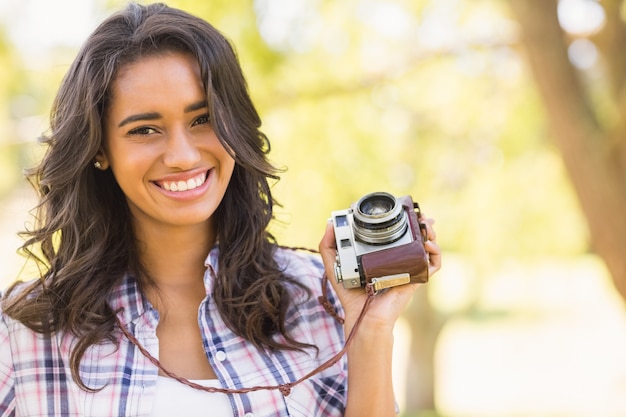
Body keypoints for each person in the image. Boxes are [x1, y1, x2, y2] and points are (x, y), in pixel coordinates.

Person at [0, 3, 441, 417]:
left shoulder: (318, 298)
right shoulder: (23, 331)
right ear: (99, 149)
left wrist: (370, 330)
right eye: (145, 129)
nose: (183, 155)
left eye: (202, 119)